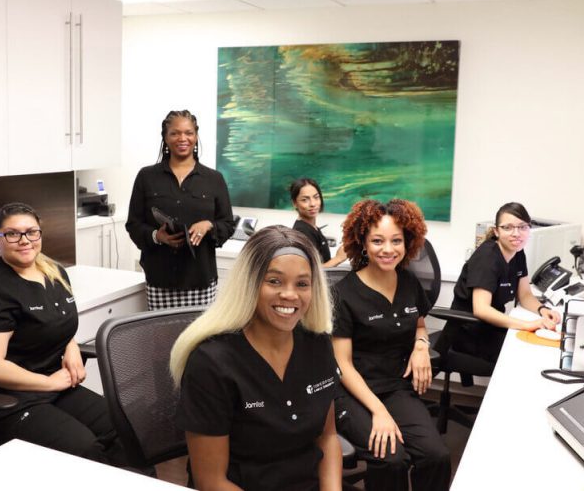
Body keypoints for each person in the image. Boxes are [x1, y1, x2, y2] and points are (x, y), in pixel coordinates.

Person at [170, 225, 342, 491]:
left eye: (302, 284)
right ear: (250, 283)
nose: (290, 294)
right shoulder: (211, 362)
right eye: (274, 281)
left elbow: (328, 437)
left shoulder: (318, 344)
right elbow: (211, 481)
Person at [0, 202, 123, 464]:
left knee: (124, 429)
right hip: (8, 401)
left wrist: (71, 347)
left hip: (53, 387)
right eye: (12, 233)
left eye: (31, 232)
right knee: (86, 450)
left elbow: (53, 324)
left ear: (40, 234)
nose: (24, 240)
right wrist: (50, 383)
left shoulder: (53, 272)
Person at [331, 199, 450, 491]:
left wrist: (421, 346)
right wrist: (379, 412)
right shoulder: (343, 294)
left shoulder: (409, 283)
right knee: (392, 458)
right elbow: (342, 365)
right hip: (353, 392)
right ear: (362, 243)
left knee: (437, 456)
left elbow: (419, 324)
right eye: (377, 241)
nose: (388, 249)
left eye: (396, 240)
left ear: (408, 242)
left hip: (396, 387)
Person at [126, 110, 235, 310]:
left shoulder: (214, 179)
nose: (182, 138)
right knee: (162, 341)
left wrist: (209, 225)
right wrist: (156, 236)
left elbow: (228, 224)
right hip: (160, 279)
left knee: (199, 340)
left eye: (189, 133)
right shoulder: (146, 177)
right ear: (165, 138)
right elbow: (133, 224)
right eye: (175, 133)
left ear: (196, 136)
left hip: (200, 280)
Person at [449, 202, 562, 364]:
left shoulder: (517, 252)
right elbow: (481, 309)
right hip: (469, 333)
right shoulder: (487, 258)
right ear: (496, 231)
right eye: (507, 227)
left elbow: (525, 295)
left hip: (492, 328)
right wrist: (526, 324)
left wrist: (542, 310)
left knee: (538, 347)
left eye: (523, 227)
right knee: (526, 355)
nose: (516, 233)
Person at [289, 178, 347, 268]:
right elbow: (309, 272)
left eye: (316, 197)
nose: (312, 204)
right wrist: (338, 259)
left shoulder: (312, 227)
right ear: (294, 203)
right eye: (305, 200)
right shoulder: (302, 232)